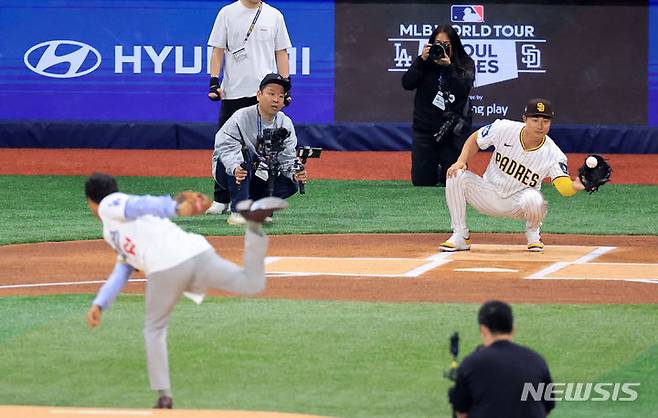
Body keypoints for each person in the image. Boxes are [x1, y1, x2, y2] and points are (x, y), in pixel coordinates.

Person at [83, 172, 287, 409]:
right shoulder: (115, 232)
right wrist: (100, 303)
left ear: (91, 201)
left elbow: (141, 203)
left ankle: (164, 396)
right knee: (251, 283)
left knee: (154, 328)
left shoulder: (110, 204)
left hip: (165, 267)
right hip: (195, 253)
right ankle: (253, 227)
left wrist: (174, 207)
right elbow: (123, 269)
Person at [439, 98, 586, 252]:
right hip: (487, 192)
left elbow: (564, 187)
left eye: (545, 121)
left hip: (519, 204)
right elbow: (475, 138)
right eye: (535, 120)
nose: (540, 125)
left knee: (535, 199)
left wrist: (575, 186)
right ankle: (460, 235)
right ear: (525, 119)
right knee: (455, 175)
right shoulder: (504, 128)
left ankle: (533, 234)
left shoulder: (554, 154)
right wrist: (461, 161)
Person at [206, 0, 292, 215]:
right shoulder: (227, 12)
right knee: (225, 146)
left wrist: (286, 85)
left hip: (264, 92)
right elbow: (218, 50)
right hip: (233, 91)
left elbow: (281, 52)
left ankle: (256, 195)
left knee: (266, 147)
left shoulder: (275, 15)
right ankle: (221, 198)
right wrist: (214, 81)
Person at [211, 73, 307, 225]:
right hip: (228, 170)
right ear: (259, 95)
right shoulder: (241, 116)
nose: (276, 99)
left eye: (281, 96)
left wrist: (295, 172)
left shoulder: (285, 122)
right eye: (271, 93)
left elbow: (287, 158)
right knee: (244, 157)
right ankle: (237, 212)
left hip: (259, 172)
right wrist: (235, 166)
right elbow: (225, 147)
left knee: (290, 181)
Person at [449, 300, 555, 418]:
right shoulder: (537, 361)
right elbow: (548, 407)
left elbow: (461, 413)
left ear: (483, 330)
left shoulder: (471, 363)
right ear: (513, 329)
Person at [402, 25, 475, 187]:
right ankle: (433, 168)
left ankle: (447, 168)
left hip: (452, 132)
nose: (441, 48)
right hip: (425, 131)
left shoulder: (465, 64)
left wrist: (449, 67)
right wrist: (421, 61)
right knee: (422, 182)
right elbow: (407, 83)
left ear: (454, 45)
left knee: (453, 181)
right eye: (437, 43)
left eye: (446, 44)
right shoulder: (424, 63)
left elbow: (462, 91)